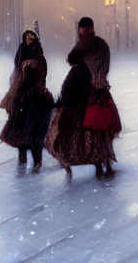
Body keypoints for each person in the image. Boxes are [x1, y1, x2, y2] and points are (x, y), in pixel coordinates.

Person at [72, 17, 117, 177]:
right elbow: (72, 60)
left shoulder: (94, 44)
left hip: (93, 92)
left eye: (84, 29)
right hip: (92, 91)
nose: (82, 31)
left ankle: (103, 164)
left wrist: (97, 81)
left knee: (97, 128)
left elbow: (103, 65)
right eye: (81, 29)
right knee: (96, 129)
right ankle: (101, 163)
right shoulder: (91, 45)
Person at [44, 48, 98, 180]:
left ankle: (68, 161)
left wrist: (61, 104)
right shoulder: (90, 71)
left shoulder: (76, 72)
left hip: (74, 109)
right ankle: (96, 162)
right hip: (87, 108)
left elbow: (68, 91)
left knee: (65, 137)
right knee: (89, 137)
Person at [0, 58, 54, 172]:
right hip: (36, 125)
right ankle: (36, 163)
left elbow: (10, 105)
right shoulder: (40, 90)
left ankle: (24, 159)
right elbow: (49, 105)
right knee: (36, 145)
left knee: (23, 144)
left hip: (23, 125)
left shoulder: (20, 91)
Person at [0, 29, 47, 113]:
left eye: (30, 39)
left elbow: (42, 66)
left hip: (33, 81)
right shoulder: (22, 48)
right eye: (27, 38)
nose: (28, 41)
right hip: (22, 79)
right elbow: (17, 61)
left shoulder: (37, 50)